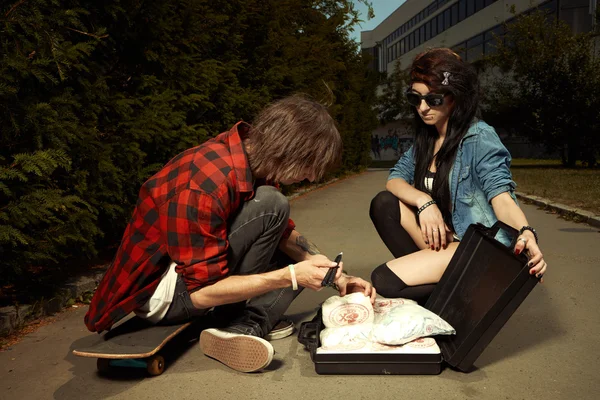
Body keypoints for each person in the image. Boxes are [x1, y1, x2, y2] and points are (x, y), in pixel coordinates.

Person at [84, 95, 375, 373]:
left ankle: (241, 324)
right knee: (275, 210)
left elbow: (285, 235)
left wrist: (340, 277)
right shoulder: (205, 183)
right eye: (310, 167)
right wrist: (290, 276)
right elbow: (201, 293)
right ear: (288, 149)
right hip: (163, 294)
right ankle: (243, 323)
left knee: (281, 227)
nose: (311, 177)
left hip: (190, 273)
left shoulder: (250, 160)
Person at [369, 48, 547, 304]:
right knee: (383, 203)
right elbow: (395, 178)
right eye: (415, 98)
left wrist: (526, 232)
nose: (422, 108)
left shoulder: (479, 137)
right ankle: (442, 296)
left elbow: (502, 196)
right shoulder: (426, 140)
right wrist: (424, 202)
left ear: (455, 98)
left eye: (433, 99)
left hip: (478, 248)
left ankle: (458, 299)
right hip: (449, 243)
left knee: (383, 280)